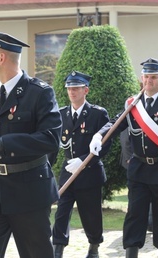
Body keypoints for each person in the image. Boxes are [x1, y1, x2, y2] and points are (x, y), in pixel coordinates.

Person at [0, 30, 62, 258]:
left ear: (1, 57)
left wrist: (3, 143)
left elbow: (51, 139)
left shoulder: (39, 92)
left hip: (29, 191)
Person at [89, 58, 158, 258]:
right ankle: (131, 253)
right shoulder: (133, 104)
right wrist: (99, 134)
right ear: (141, 78)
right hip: (139, 168)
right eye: (146, 77)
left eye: (153, 77)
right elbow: (117, 123)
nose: (149, 81)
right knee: (135, 214)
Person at [52, 71, 110, 258]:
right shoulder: (61, 114)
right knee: (61, 211)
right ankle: (58, 248)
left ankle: (94, 247)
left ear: (86, 90)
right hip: (68, 171)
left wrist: (84, 160)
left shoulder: (97, 114)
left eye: (76, 88)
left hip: (90, 173)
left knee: (91, 214)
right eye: (69, 88)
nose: (72, 92)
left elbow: (105, 145)